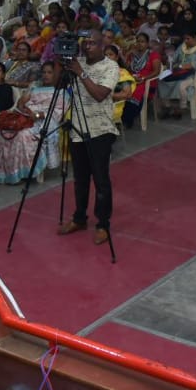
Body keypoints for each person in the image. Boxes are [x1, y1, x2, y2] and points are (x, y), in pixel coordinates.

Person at [57, 31, 120, 245]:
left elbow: (100, 94)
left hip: (100, 130)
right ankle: (79, 218)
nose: (88, 47)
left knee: (101, 179)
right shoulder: (78, 61)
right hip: (77, 128)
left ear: (102, 45)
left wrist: (81, 73)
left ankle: (103, 224)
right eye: (85, 43)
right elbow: (59, 84)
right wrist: (63, 64)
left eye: (93, 43)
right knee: (80, 178)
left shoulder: (110, 66)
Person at [0, 61, 65, 185]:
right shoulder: (34, 86)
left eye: (49, 72)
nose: (46, 75)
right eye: (43, 72)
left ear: (56, 74)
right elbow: (20, 105)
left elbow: (57, 113)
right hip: (25, 117)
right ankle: (4, 172)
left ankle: (22, 173)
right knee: (1, 131)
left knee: (22, 135)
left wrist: (38, 115)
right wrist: (23, 103)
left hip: (44, 121)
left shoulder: (61, 92)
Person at [157, 32, 196, 118]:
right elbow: (174, 58)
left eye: (188, 39)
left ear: (195, 37)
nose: (186, 41)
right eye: (184, 39)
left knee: (180, 85)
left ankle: (182, 107)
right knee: (161, 80)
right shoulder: (183, 46)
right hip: (178, 72)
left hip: (194, 74)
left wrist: (182, 66)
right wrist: (170, 61)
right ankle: (167, 105)